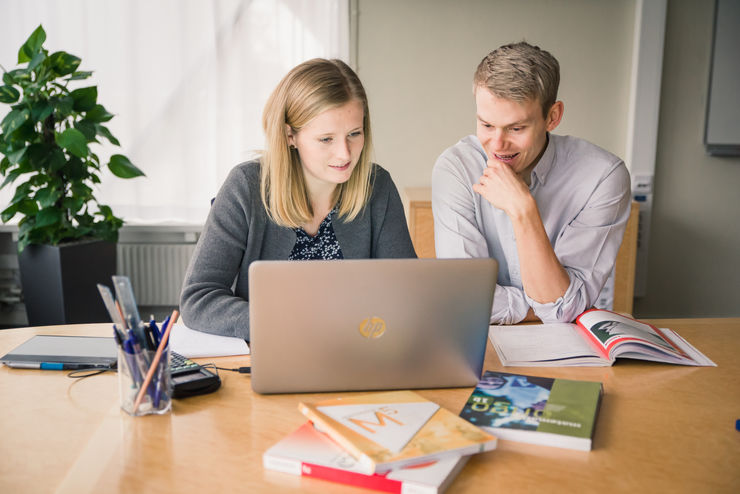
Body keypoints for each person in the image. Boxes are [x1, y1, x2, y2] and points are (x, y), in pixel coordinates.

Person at [180, 58, 416, 339]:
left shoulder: (377, 187)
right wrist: (287, 324)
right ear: (290, 135)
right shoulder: (246, 187)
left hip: (359, 351)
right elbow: (199, 299)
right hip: (273, 351)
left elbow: (406, 292)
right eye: (326, 139)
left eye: (354, 134)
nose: (345, 153)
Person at [432, 42, 631, 325]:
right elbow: (463, 299)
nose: (497, 145)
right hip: (482, 341)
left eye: (516, 128)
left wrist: (523, 211)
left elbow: (564, 309)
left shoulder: (603, 178)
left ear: (553, 117)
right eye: (486, 125)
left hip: (567, 349)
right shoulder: (457, 168)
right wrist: (541, 306)